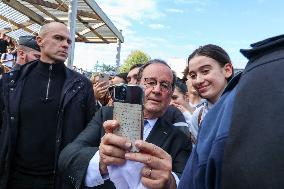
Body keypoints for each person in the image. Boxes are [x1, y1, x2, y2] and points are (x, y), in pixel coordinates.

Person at [59, 59, 192, 189]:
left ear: (170, 94)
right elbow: (67, 156)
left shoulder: (179, 138)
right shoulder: (106, 115)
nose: (156, 90)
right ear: (137, 85)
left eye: (164, 85)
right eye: (150, 82)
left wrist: (170, 182)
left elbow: (186, 179)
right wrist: (101, 161)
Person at [0, 22, 95, 189]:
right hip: (16, 177)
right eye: (58, 38)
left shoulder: (81, 85)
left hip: (61, 179)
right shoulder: (12, 81)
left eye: (68, 41)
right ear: (40, 41)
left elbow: (90, 132)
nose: (65, 44)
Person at [186, 44, 233, 144]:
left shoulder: (245, 104)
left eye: (205, 71)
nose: (198, 80)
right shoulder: (198, 116)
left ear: (227, 70)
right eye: (193, 76)